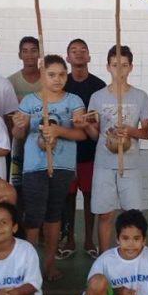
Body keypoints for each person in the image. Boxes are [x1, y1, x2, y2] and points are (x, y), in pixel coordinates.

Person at [12, 54, 86, 282]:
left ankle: (50, 264)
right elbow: (19, 135)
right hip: (34, 167)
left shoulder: (73, 101)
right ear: (42, 75)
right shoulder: (29, 102)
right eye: (51, 74)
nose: (57, 79)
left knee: (54, 215)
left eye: (62, 74)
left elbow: (81, 134)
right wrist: (18, 125)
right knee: (34, 216)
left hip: (62, 165)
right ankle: (29, 267)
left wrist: (58, 131)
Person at [80, 45, 148, 253]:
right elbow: (95, 135)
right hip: (104, 163)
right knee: (105, 214)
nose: (119, 70)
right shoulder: (97, 97)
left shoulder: (140, 96)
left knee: (133, 216)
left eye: (124, 65)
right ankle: (104, 257)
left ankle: (133, 257)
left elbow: (146, 133)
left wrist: (129, 131)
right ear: (108, 67)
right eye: (115, 65)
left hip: (130, 164)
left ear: (131, 67)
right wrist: (86, 126)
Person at [61, 38, 106, 258]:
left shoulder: (99, 86)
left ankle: (89, 240)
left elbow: (102, 120)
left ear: (89, 56)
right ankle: (69, 239)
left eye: (83, 50)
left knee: (89, 196)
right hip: (66, 151)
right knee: (68, 197)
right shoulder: (62, 84)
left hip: (91, 151)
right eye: (74, 50)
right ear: (67, 57)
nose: (78, 53)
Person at [8, 36, 41, 198]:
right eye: (25, 51)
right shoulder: (11, 82)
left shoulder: (48, 79)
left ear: (40, 53)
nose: (29, 55)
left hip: (42, 138)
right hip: (19, 140)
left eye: (33, 50)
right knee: (19, 183)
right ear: (19, 55)